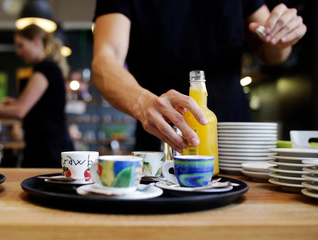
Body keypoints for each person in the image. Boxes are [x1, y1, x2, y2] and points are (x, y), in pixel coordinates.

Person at [91, 0, 307, 153]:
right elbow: (105, 60)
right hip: (164, 140)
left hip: (236, 141)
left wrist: (283, 36)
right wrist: (142, 102)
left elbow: (272, 53)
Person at [0, 24, 74, 168]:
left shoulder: (44, 69)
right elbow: (42, 106)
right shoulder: (47, 68)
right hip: (47, 147)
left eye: (21, 45)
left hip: (48, 150)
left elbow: (20, 110)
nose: (18, 52)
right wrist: (17, 102)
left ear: (36, 41)